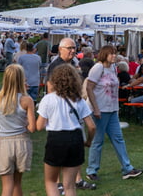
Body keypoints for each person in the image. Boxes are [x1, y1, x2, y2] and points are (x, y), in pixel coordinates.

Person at [36, 64, 96, 195]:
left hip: (56, 139)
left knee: (51, 181)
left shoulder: (48, 99)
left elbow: (39, 126)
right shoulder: (79, 100)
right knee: (70, 186)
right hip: (75, 138)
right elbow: (91, 126)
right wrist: (89, 141)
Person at [85, 45, 143, 181]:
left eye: (115, 54)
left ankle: (127, 168)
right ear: (104, 54)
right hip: (99, 110)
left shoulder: (113, 68)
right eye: (111, 54)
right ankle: (92, 170)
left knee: (118, 139)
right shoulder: (98, 67)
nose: (114, 56)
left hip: (112, 109)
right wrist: (96, 108)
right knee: (98, 141)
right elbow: (89, 87)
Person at [0, 64, 36, 196]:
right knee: (17, 183)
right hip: (22, 142)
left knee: (7, 185)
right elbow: (32, 128)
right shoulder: (27, 100)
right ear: (21, 79)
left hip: (4, 143)